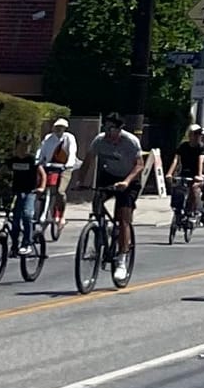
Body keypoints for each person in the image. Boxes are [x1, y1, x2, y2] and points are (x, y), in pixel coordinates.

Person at [87, 113, 146, 285]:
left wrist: (126, 182)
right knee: (97, 201)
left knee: (123, 218)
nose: (107, 131)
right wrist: (80, 182)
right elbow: (88, 161)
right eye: (105, 127)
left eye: (111, 128)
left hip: (129, 179)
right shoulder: (99, 140)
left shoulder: (131, 141)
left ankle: (121, 259)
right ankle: (101, 230)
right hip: (109, 176)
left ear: (119, 129)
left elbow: (140, 165)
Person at [169, 123, 204, 228]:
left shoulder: (202, 148)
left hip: (197, 174)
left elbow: (201, 160)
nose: (197, 137)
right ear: (189, 135)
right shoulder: (183, 146)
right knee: (177, 188)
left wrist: (199, 175)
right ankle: (177, 210)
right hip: (184, 173)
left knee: (194, 188)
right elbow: (176, 160)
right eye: (195, 134)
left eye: (199, 134)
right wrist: (169, 173)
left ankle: (192, 212)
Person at [37, 116, 80, 227]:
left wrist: (68, 164)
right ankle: (39, 210)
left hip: (64, 167)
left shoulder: (69, 138)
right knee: (40, 188)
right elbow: (41, 151)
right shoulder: (48, 138)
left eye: (62, 127)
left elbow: (72, 152)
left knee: (60, 191)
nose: (59, 129)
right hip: (49, 166)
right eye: (57, 127)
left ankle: (61, 214)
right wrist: (38, 161)